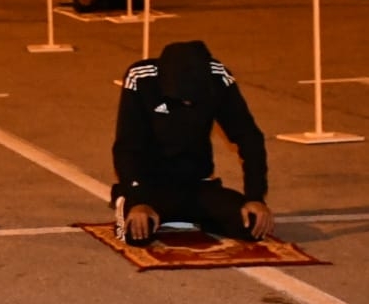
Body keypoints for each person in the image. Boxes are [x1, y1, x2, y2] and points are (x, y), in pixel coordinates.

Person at [113, 41, 273, 247]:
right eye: (181, 99)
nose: (187, 104)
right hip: (150, 187)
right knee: (137, 236)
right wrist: (138, 200)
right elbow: (127, 146)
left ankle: (191, 217)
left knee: (253, 226)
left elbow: (248, 137)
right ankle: (127, 201)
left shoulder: (219, 78)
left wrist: (255, 196)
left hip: (198, 184)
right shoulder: (141, 78)